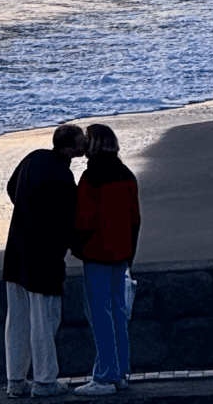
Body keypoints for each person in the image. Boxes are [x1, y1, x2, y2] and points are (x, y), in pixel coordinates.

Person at [3, 123, 86, 397]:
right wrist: (79, 248)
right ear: (70, 148)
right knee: (44, 320)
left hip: (16, 250)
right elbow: (70, 221)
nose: (85, 145)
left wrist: (26, 209)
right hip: (44, 257)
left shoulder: (34, 158)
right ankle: (45, 381)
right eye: (81, 142)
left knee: (17, 320)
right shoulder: (63, 176)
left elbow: (11, 187)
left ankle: (15, 380)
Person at [71, 123, 141, 396]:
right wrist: (130, 253)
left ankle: (105, 376)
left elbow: (83, 219)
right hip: (122, 252)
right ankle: (121, 371)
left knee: (101, 315)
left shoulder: (92, 178)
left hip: (97, 253)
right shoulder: (126, 174)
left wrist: (76, 246)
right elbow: (135, 218)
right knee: (118, 313)